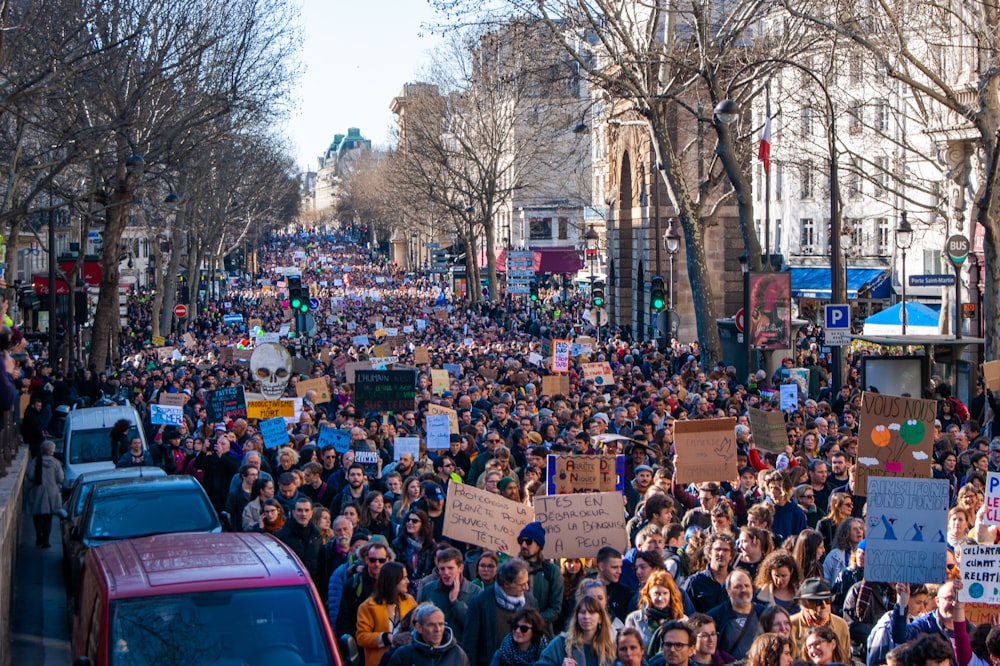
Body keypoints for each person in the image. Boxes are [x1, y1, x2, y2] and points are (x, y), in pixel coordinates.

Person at [462, 558, 538, 666]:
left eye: (527, 582)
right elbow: (470, 645)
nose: (526, 587)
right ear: (506, 584)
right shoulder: (480, 603)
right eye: (522, 584)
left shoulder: (530, 601)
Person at [356, 561, 417, 666]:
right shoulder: (367, 607)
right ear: (392, 581)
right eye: (404, 578)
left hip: (405, 661)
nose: (408, 581)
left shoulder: (410, 601)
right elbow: (361, 637)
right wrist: (386, 638)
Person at [419, 547, 482, 637]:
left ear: (460, 568)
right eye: (442, 569)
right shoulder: (429, 589)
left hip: (461, 648)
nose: (446, 573)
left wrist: (455, 602)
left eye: (450, 568)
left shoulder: (475, 591)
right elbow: (420, 620)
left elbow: (474, 625)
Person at [535, 595, 616, 666]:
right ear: (577, 616)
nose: (586, 616)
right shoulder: (561, 643)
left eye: (592, 612)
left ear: (600, 619)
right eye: (582, 612)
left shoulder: (610, 647)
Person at [707, 569, 766, 661]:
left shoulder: (764, 614)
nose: (743, 590)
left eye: (747, 586)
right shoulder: (715, 616)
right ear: (728, 591)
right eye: (737, 587)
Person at [516, 521, 564, 632]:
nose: (523, 545)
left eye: (528, 541)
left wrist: (534, 621)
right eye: (520, 541)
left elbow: (555, 608)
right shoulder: (513, 569)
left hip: (542, 632)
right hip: (516, 631)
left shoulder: (552, 571)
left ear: (539, 544)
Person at [387, 603, 470, 666]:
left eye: (441, 624)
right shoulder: (404, 654)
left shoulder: (458, 654)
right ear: (419, 627)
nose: (437, 629)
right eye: (431, 625)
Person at [274, 497, 326, 595]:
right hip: (289, 586)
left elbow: (320, 565)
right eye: (299, 510)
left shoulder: (317, 535)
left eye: (306, 510)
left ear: (311, 513)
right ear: (293, 512)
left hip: (312, 588)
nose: (303, 514)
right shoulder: (281, 536)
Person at [789, 578, 850, 657]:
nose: (824, 605)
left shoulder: (841, 625)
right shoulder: (790, 625)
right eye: (818, 602)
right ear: (804, 604)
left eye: (827, 600)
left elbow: (846, 660)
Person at [624, 570, 685, 648]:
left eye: (665, 593)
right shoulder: (633, 619)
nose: (660, 598)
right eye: (656, 593)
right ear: (648, 594)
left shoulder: (682, 620)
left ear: (671, 595)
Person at [26, 440, 63, 548]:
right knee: (48, 518)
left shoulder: (36, 461)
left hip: (37, 491)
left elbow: (30, 474)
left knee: (37, 515)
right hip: (51, 493)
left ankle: (39, 536)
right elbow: (60, 478)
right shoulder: (56, 463)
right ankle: (46, 540)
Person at [393, 509, 437, 593]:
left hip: (425, 586)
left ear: (422, 524)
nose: (410, 523)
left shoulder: (431, 545)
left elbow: (433, 569)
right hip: (405, 587)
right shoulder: (397, 544)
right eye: (408, 520)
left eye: (414, 521)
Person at [753, 549, 801, 614]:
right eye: (776, 576)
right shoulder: (759, 596)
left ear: (791, 571)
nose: (779, 580)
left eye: (783, 576)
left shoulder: (802, 594)